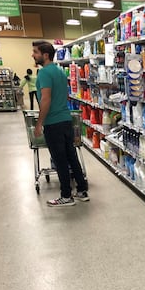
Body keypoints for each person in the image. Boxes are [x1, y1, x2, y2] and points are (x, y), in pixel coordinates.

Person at [32, 41, 89, 207]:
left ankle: (66, 196)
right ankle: (82, 191)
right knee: (72, 156)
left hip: (53, 123)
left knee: (60, 160)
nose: (33, 55)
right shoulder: (59, 71)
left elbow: (46, 99)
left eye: (35, 52)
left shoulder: (44, 73)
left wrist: (39, 123)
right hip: (65, 119)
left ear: (45, 55)